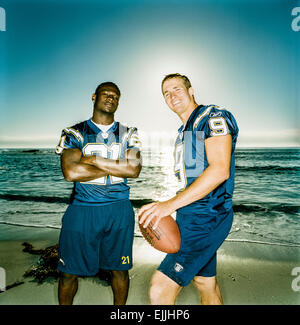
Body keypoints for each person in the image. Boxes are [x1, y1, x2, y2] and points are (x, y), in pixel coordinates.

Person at [139, 73, 238, 305]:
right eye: (166, 93)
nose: (172, 96)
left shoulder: (211, 117)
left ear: (191, 91)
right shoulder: (182, 133)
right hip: (191, 215)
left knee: (160, 288)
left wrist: (169, 205)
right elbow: (193, 182)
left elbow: (220, 170)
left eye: (177, 89)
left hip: (208, 216)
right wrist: (169, 205)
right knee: (205, 283)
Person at [55, 81, 142, 305]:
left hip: (119, 210)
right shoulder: (74, 132)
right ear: (94, 96)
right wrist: (117, 164)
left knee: (120, 270)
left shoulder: (128, 133)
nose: (111, 98)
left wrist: (93, 159)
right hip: (83, 209)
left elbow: (133, 169)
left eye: (115, 96)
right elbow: (71, 172)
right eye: (106, 94)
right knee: (67, 273)